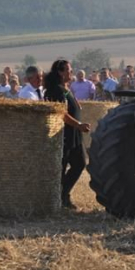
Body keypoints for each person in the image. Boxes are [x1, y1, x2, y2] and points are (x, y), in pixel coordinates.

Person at [43, 59, 91, 209]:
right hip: (63, 134)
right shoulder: (55, 90)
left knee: (80, 163)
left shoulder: (65, 88)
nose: (71, 72)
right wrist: (78, 124)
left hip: (74, 134)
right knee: (62, 167)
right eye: (68, 70)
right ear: (60, 72)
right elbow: (61, 114)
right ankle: (59, 198)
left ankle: (64, 194)